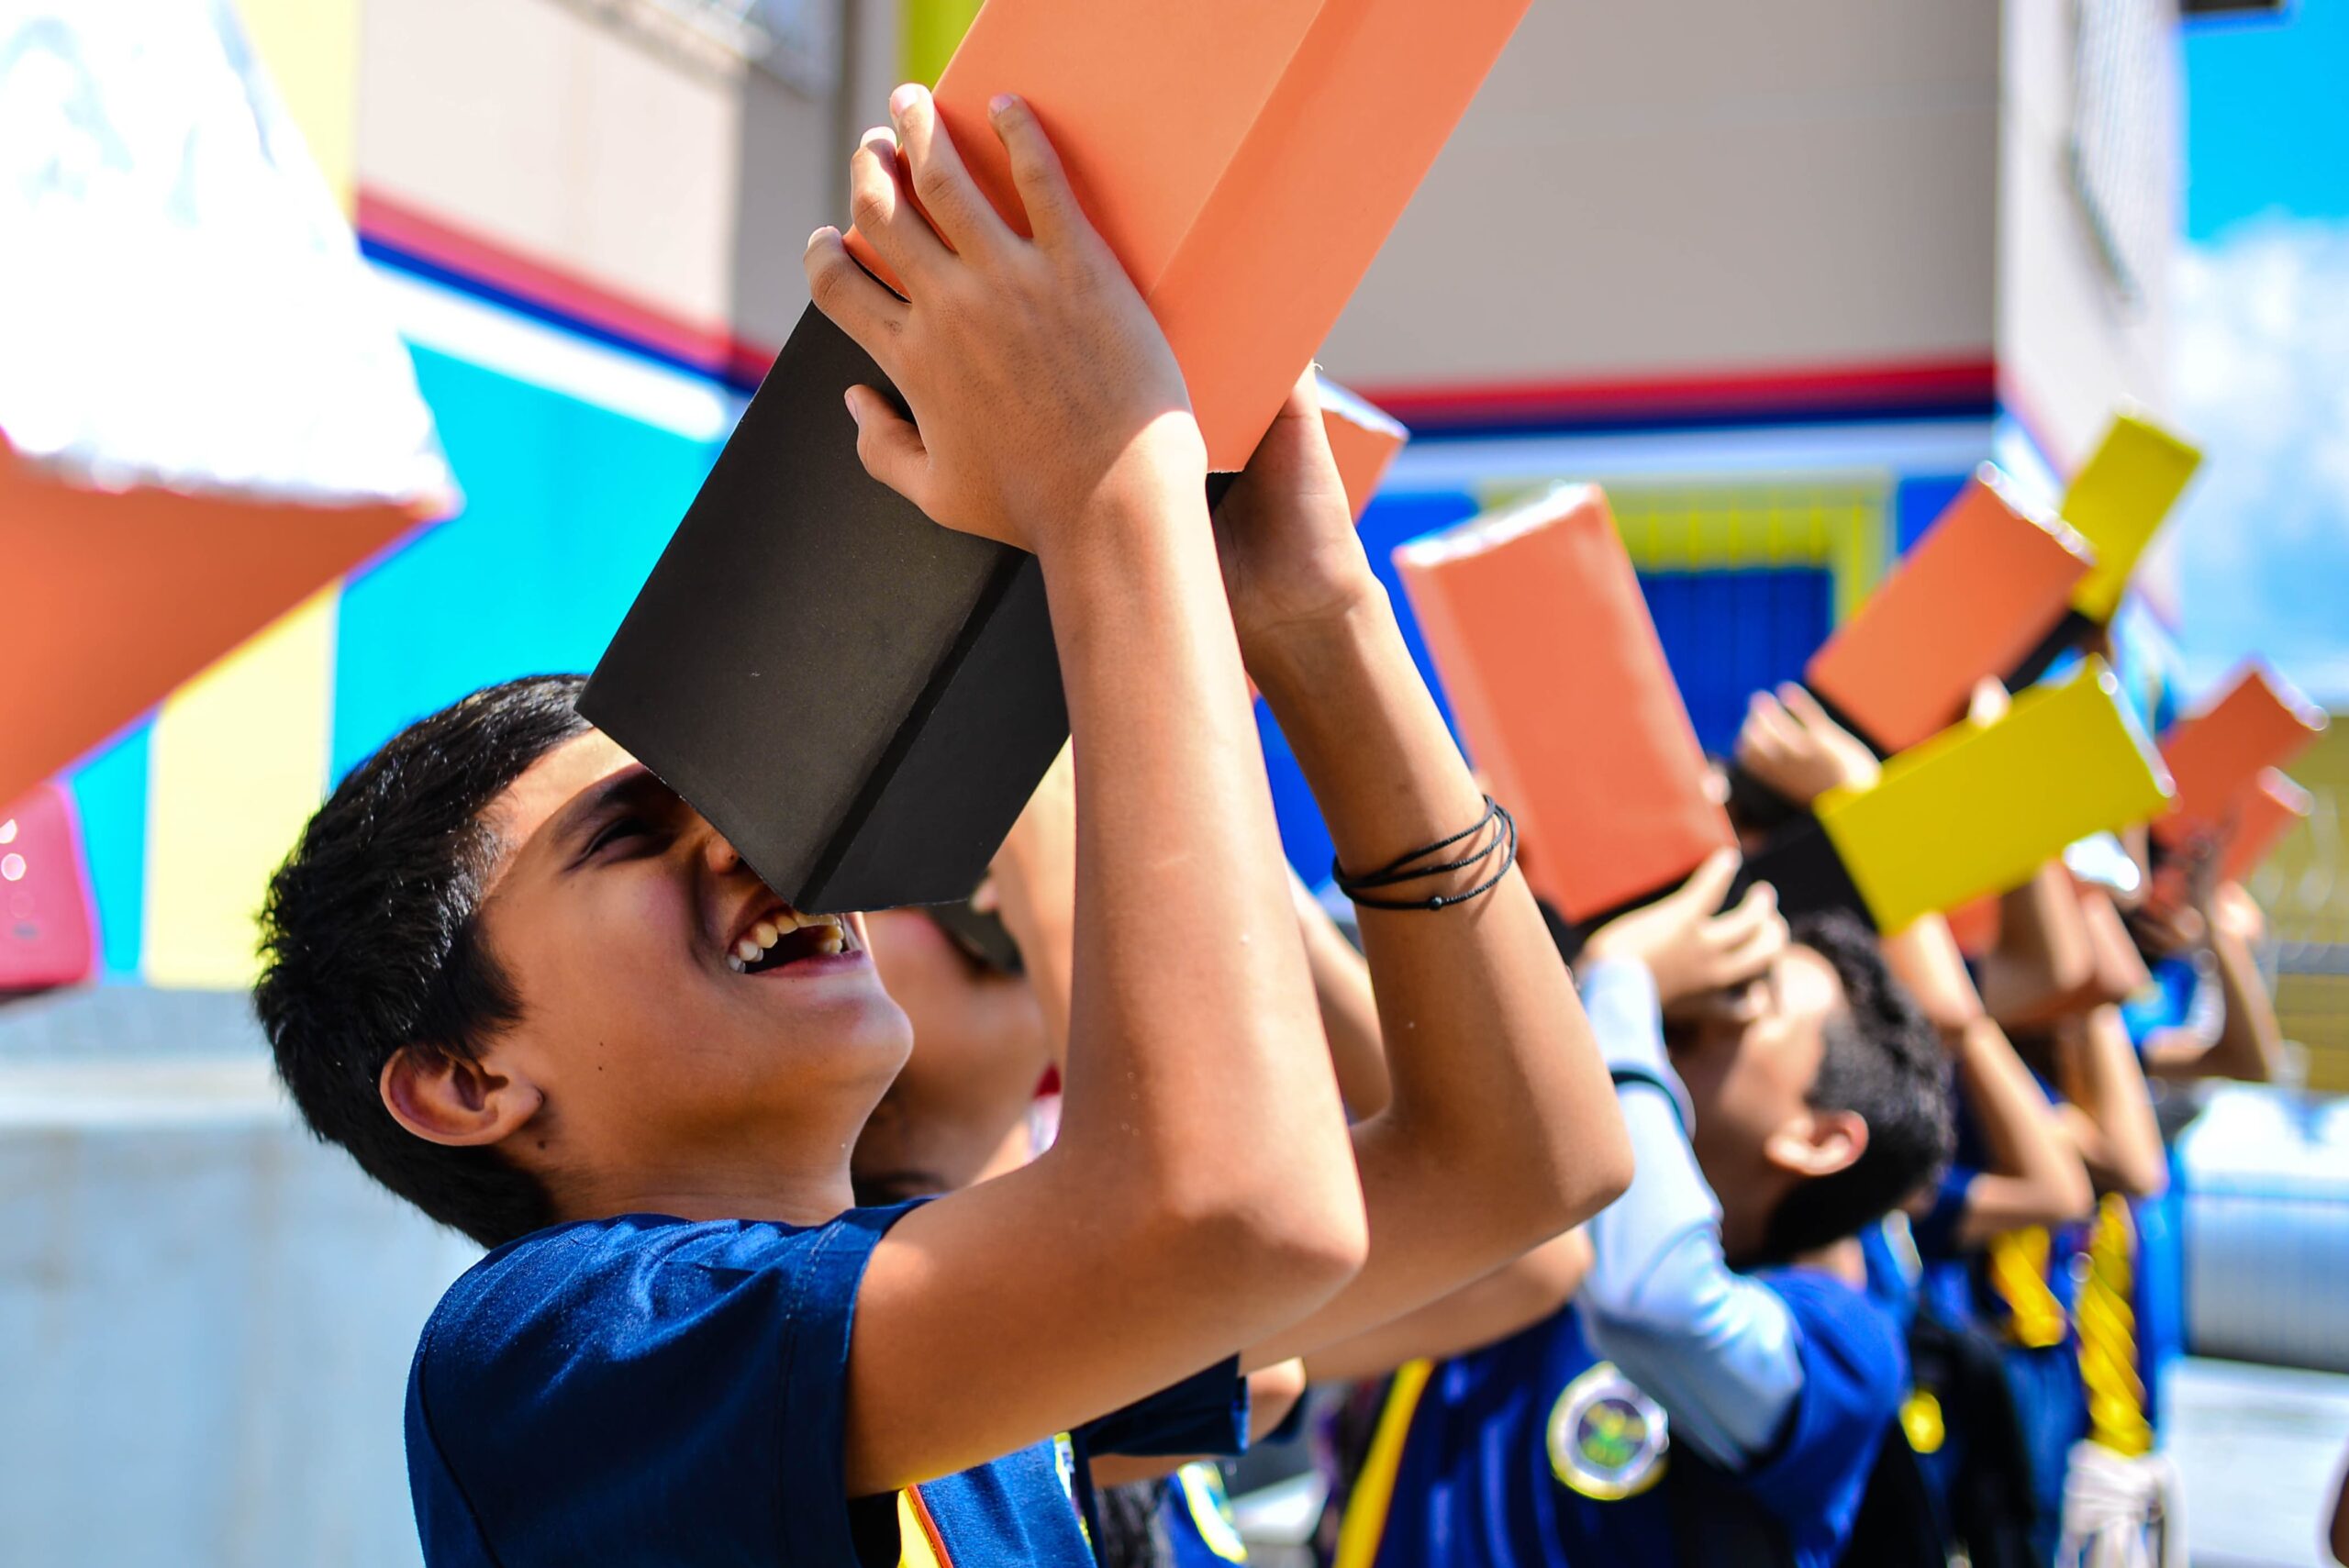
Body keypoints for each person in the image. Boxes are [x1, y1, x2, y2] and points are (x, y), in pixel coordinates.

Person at [254, 86, 1630, 1567]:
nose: (756, 840)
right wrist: (1109, 488)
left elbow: (1522, 1171)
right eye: (634, 835)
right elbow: (1241, 1211)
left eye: (728, 794)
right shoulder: (551, 1344)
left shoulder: (920, 1276)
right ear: (467, 1078)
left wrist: (1323, 623)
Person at [1329, 851, 1955, 1568]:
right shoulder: (1544, 1225)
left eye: (1753, 989)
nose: (1704, 991)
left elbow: (1656, 1300)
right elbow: (1425, 1096)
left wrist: (1625, 978)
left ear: (1817, 1138)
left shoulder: (1844, 1338)